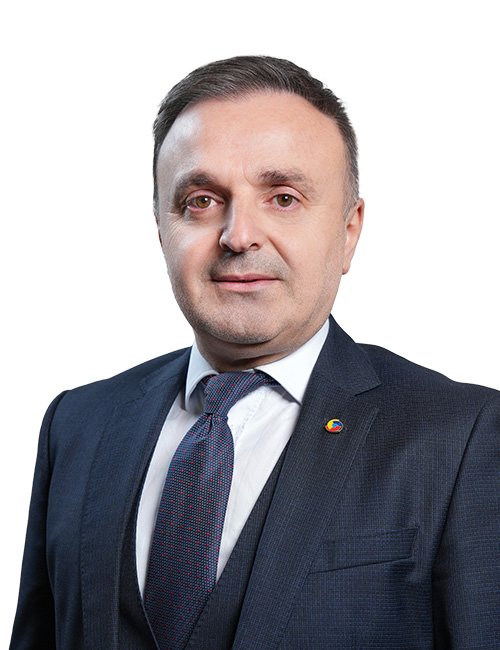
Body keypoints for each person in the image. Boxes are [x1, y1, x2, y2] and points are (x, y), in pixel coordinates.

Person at [10, 55, 499, 649]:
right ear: (161, 228)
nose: (239, 236)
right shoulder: (77, 425)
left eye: (284, 198)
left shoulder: (463, 436)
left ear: (349, 231)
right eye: (200, 200)